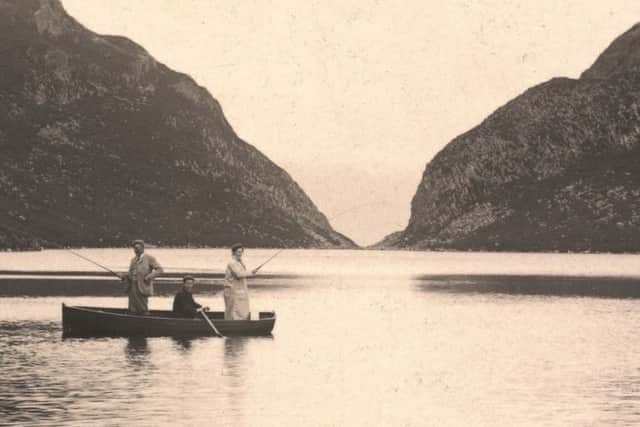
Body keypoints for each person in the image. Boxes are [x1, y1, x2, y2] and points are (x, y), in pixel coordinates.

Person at [120, 239, 163, 315]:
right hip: (132, 287)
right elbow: (131, 273)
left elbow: (159, 270)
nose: (136, 250)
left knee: (143, 308)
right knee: (132, 308)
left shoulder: (149, 258)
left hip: (143, 287)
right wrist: (124, 277)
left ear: (143, 248)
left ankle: (145, 321)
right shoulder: (133, 260)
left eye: (138, 248)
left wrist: (148, 277)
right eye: (134, 248)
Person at [224, 243, 259, 320]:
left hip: (238, 290)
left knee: (240, 309)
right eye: (238, 252)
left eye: (241, 252)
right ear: (233, 252)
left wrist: (251, 272)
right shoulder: (232, 262)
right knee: (232, 310)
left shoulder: (239, 262)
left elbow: (243, 274)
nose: (240, 254)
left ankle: (238, 322)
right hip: (231, 290)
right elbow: (238, 274)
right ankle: (231, 325)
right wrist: (251, 273)